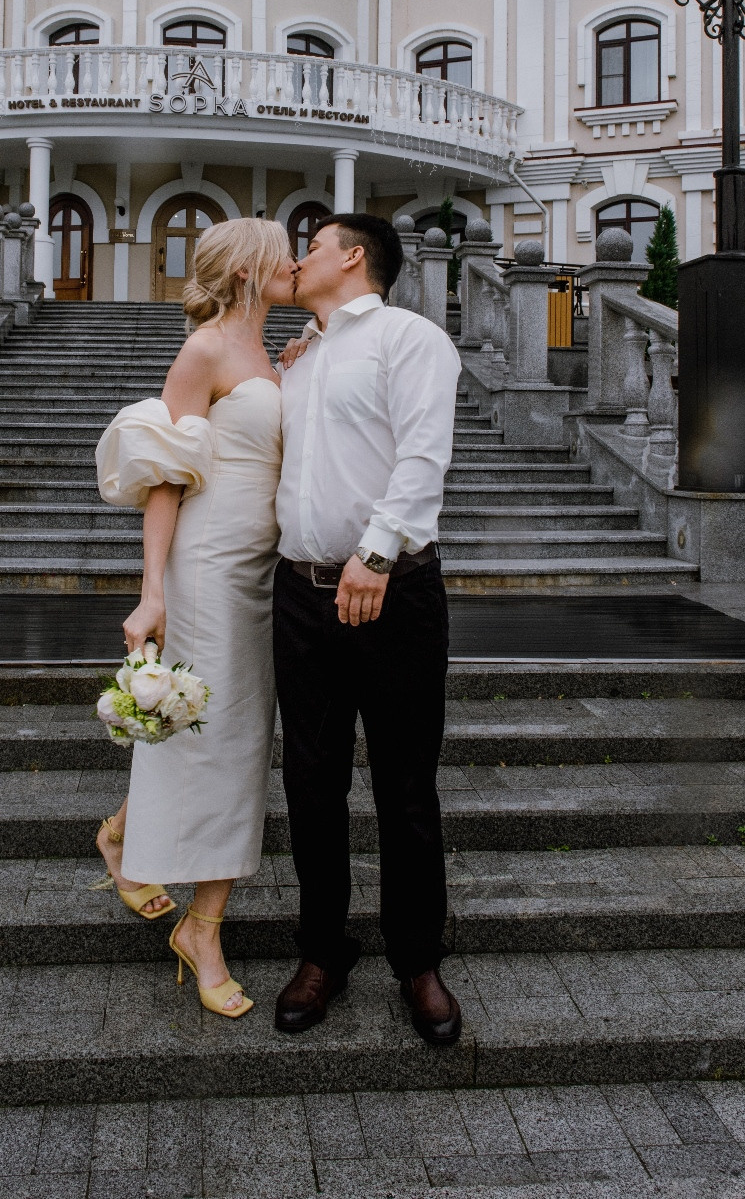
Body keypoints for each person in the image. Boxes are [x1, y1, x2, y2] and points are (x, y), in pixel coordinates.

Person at [94, 217, 295, 1019]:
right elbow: (165, 479)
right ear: (247, 269)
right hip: (207, 564)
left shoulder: (277, 353)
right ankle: (202, 930)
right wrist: (153, 592)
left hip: (265, 568)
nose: (294, 263)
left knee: (237, 735)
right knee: (221, 739)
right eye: (283, 253)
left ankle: (121, 832)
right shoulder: (203, 351)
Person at [271, 213, 463, 1045]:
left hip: (393, 591)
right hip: (299, 594)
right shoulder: (299, 356)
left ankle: (416, 960)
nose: (295, 259)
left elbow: (422, 455)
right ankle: (322, 952)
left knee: (405, 785)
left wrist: (375, 553)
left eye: (310, 246)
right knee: (310, 783)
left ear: (352, 256)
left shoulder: (407, 338)